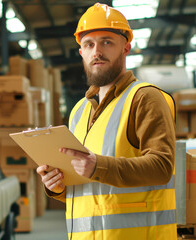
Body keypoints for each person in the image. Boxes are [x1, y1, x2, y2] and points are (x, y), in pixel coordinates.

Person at [36, 3, 177, 240]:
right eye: (89, 44)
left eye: (107, 42)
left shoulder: (144, 97)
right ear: (81, 52)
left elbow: (163, 167)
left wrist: (98, 166)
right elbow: (86, 184)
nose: (97, 51)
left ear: (126, 48)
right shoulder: (79, 110)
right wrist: (57, 186)